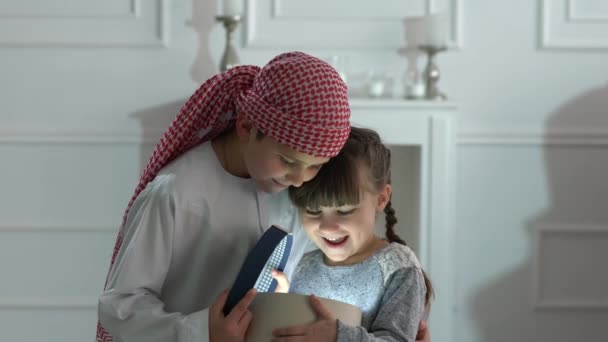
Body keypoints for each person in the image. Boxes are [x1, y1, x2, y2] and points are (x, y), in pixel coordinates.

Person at [96, 51, 430, 342]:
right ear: (245, 127)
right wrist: (200, 334)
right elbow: (120, 304)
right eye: (287, 160)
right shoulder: (176, 192)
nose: (300, 178)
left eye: (315, 166)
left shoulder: (299, 192)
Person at [271, 126, 434, 341]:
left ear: (381, 199)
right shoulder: (302, 264)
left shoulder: (397, 267)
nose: (328, 227)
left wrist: (338, 336)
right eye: (313, 211)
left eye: (345, 210)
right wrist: (280, 305)